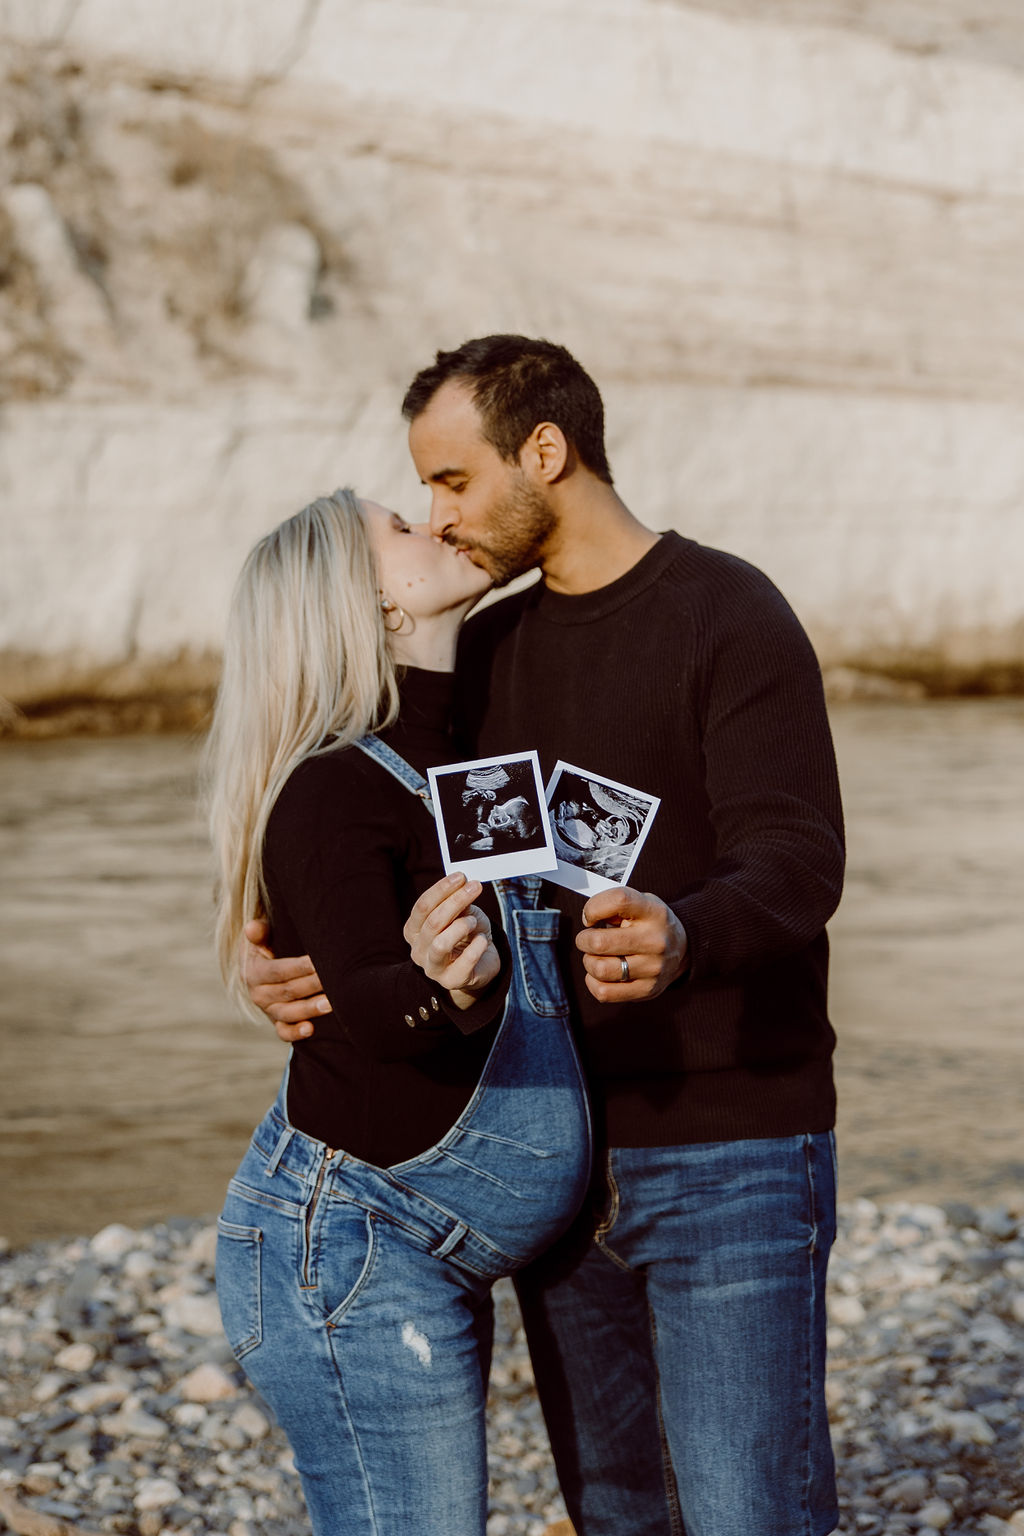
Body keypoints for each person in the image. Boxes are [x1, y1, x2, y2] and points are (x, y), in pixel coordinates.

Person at [245, 339, 846, 1536]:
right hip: (550, 1162)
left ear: (547, 453)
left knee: (748, 1508)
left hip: (731, 1143)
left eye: (454, 482)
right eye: (423, 494)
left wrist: (684, 930)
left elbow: (795, 856)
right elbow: (385, 844)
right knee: (614, 1507)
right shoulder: (485, 652)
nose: (438, 515)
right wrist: (294, 956)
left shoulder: (727, 610)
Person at [203, 487, 591, 1536]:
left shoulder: (460, 753)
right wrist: (448, 981)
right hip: (353, 1245)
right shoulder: (334, 786)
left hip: (426, 1242)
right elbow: (379, 1008)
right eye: (403, 529)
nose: (437, 521)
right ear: (373, 605)